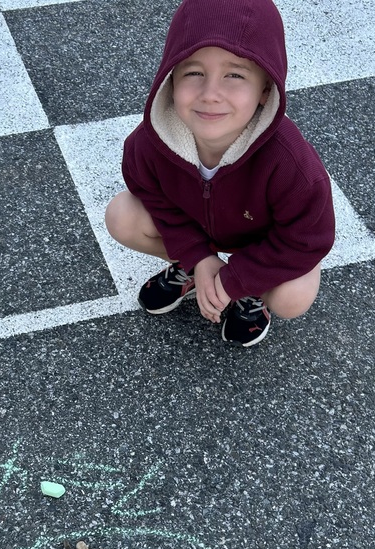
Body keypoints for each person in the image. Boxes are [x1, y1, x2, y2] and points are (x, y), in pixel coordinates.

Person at [105, 0, 336, 346]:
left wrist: (238, 279)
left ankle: (251, 292)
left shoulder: (291, 164)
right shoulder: (149, 144)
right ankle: (195, 271)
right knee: (121, 215)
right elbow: (154, 199)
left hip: (264, 243)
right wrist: (198, 256)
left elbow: (308, 239)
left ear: (265, 90)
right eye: (193, 72)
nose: (210, 94)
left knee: (293, 297)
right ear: (170, 79)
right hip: (199, 229)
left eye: (235, 75)